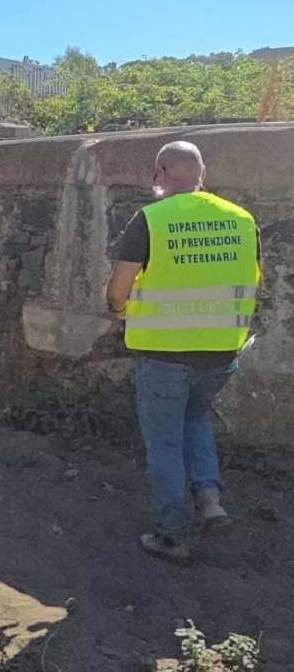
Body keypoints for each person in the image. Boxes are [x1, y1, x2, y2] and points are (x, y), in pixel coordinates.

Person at [105, 141, 261, 563]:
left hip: (163, 352)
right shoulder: (242, 219)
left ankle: (170, 534)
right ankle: (210, 500)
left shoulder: (150, 220)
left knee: (165, 443)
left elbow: (119, 288)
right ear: (201, 173)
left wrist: (119, 311)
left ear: (159, 174)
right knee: (196, 418)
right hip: (220, 351)